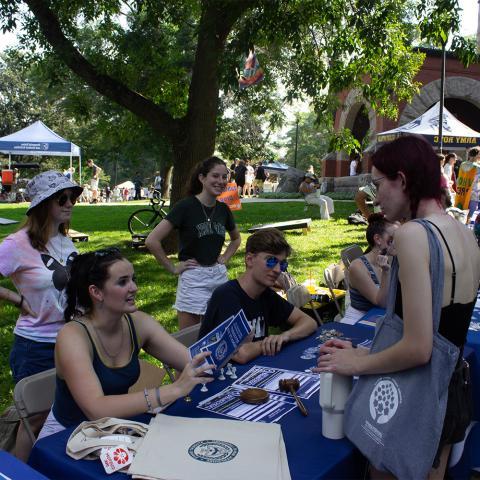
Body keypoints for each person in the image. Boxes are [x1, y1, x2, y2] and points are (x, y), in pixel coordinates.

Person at [315, 135, 480, 478]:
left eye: (377, 183)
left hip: (412, 398)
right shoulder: (464, 233)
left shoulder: (413, 234)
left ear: (402, 180)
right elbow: (440, 331)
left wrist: (356, 362)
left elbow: (419, 348)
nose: (375, 197)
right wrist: (365, 352)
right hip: (448, 393)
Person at [37, 248, 214, 440]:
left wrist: (228, 347)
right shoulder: (72, 336)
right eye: (123, 282)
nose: (134, 288)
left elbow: (194, 363)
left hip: (114, 429)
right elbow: (95, 409)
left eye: (133, 279)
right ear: (96, 292)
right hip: (67, 438)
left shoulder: (137, 322)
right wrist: (174, 390)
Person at [0, 171, 82, 461]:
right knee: (33, 420)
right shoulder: (17, 243)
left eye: (73, 197)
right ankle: (15, 471)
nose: (70, 203)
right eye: (62, 198)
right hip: (35, 346)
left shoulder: (65, 241)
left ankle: (50, 466)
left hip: (70, 341)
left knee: (64, 411)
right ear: (43, 203)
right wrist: (16, 298)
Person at [145, 156, 241, 330]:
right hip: (193, 278)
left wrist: (225, 257)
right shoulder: (185, 207)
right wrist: (173, 268)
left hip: (218, 276)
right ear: (202, 178)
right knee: (191, 338)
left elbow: (236, 239)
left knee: (219, 333)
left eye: (224, 177)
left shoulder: (223, 209)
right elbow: (152, 240)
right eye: (215, 176)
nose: (220, 181)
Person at [199, 228, 317, 364]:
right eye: (271, 261)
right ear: (249, 260)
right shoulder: (226, 296)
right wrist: (268, 343)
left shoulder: (265, 294)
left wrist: (285, 336)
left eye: (282, 264)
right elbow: (240, 354)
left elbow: (309, 322)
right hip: (216, 379)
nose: (278, 270)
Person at [341, 213, 399, 324]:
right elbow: (381, 302)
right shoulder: (358, 267)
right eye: (393, 238)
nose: (399, 241)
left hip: (383, 317)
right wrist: (386, 272)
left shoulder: (395, 258)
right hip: (359, 321)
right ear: (378, 239)